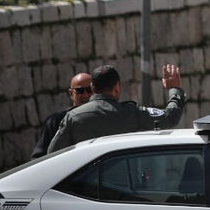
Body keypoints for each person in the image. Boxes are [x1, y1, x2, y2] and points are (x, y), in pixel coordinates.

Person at [48, 62, 187, 152]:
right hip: (121, 191)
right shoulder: (131, 113)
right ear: (116, 88)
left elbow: (52, 154)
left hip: (83, 191)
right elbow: (170, 117)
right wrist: (174, 89)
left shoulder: (73, 117)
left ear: (92, 87)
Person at [31, 71, 94, 159]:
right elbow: (39, 158)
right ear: (71, 93)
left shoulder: (103, 117)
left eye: (89, 90)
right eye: (79, 91)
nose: (85, 95)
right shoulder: (55, 121)